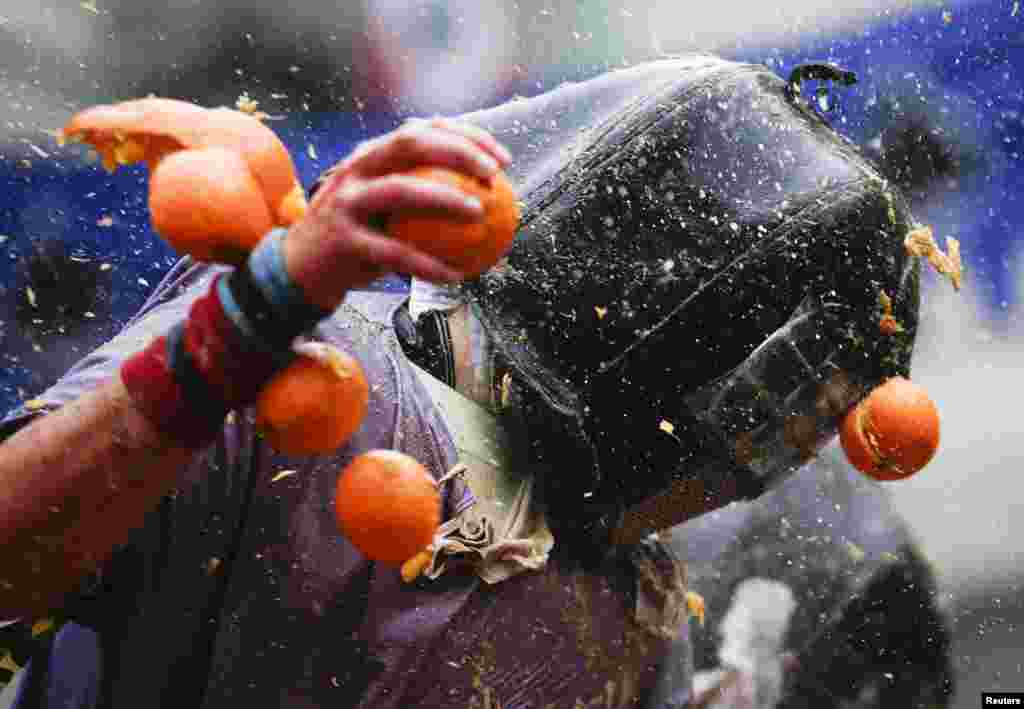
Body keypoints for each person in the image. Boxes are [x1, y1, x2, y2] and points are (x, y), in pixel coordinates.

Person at [0, 56, 952, 709]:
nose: (760, 470)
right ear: (663, 349)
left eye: (807, 434)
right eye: (767, 415)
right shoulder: (307, 373)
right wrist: (243, 331)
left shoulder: (637, 621)